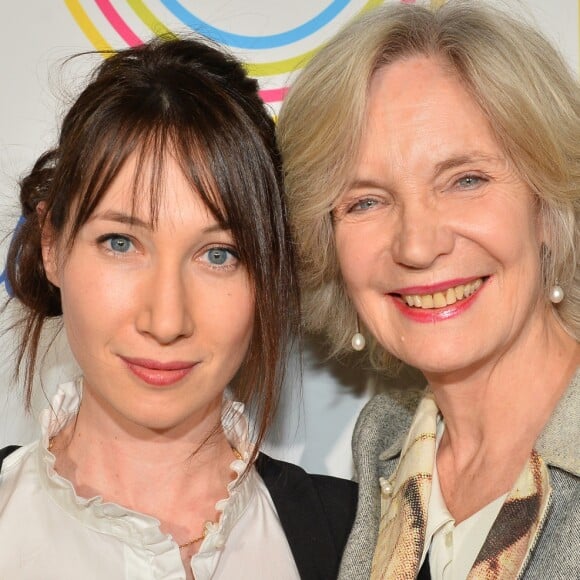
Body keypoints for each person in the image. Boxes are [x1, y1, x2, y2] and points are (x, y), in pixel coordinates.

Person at [0, 37, 357, 580]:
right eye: (121, 243)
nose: (166, 321)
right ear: (51, 246)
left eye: (219, 255)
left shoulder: (362, 541)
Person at [278, 1, 579, 578]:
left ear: (546, 207)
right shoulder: (384, 445)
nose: (417, 246)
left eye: (466, 180)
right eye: (366, 200)